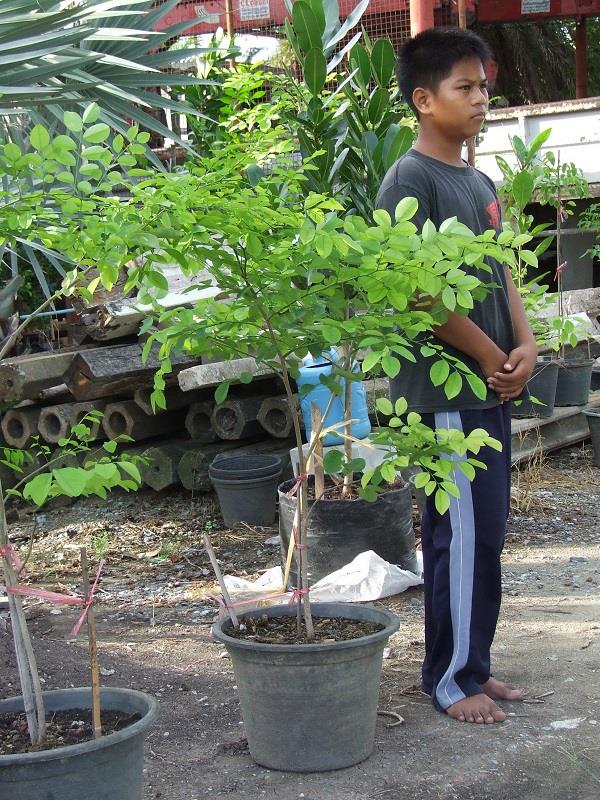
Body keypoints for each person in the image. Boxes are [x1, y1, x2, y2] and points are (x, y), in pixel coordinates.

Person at [376, 27, 537, 724]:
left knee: (483, 534)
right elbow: (415, 294)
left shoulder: (480, 180)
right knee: (462, 537)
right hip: (447, 393)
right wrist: (483, 355)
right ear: (423, 99)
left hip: (490, 381)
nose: (480, 98)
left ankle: (470, 663)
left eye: (484, 86)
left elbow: (503, 273)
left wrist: (525, 345)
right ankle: (449, 681)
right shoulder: (409, 180)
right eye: (463, 87)